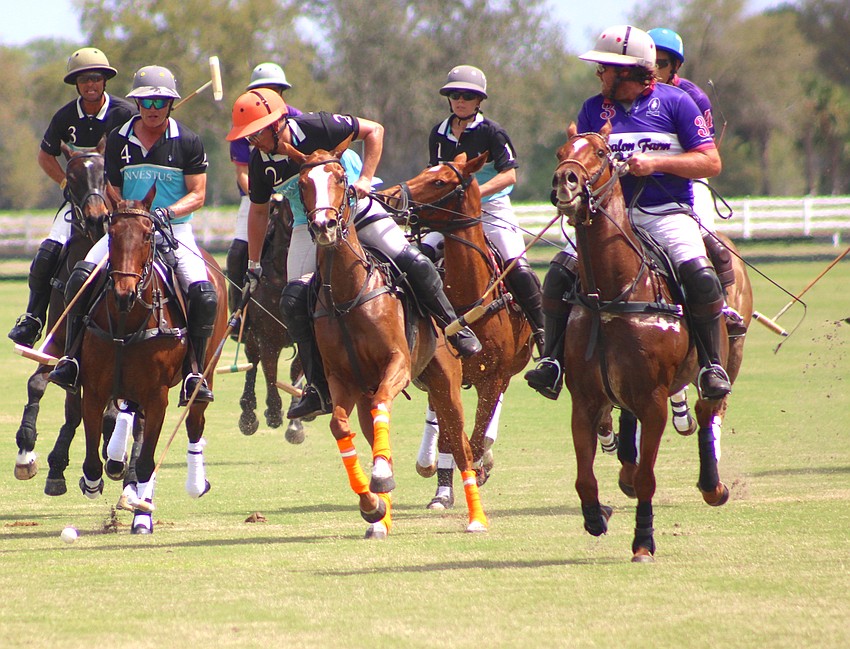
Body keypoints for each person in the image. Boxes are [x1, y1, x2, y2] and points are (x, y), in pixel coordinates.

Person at [226, 88, 482, 420]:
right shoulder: (261, 162)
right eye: (247, 135)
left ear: (277, 124)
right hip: (308, 225)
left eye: (256, 133)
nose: (252, 142)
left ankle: (455, 328)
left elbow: (374, 130)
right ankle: (317, 386)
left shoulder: (316, 126)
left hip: (355, 209)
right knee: (293, 300)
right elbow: (258, 212)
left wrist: (366, 179)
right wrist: (255, 263)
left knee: (411, 260)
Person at [525, 24, 731, 401]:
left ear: (628, 70)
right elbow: (586, 161)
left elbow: (710, 162)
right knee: (556, 274)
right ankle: (552, 362)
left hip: (665, 212)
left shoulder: (677, 103)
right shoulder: (592, 109)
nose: (598, 75)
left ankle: (711, 365)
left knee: (700, 275)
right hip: (608, 220)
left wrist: (655, 163)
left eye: (604, 67)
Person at [48, 65, 218, 406]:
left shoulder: (188, 141)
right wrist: (126, 210)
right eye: (146, 102)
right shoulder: (120, 139)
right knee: (79, 276)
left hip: (174, 228)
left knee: (204, 294)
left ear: (171, 103)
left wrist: (166, 213)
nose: (153, 109)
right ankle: (71, 359)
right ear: (137, 103)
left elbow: (198, 193)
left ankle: (194, 372)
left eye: (160, 102)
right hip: (127, 228)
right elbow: (109, 184)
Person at [8, 47, 136, 348]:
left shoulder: (125, 113)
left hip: (120, 199)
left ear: (104, 81)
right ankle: (33, 317)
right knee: (47, 254)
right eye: (84, 80)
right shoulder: (65, 117)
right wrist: (66, 181)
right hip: (79, 202)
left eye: (96, 79)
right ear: (76, 85)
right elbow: (45, 155)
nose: (90, 85)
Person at [421, 65, 545, 356]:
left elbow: (509, 175)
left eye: (467, 96)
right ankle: (419, 326)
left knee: (518, 266)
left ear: (479, 101)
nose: (459, 100)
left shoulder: (492, 132)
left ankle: (543, 336)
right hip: (452, 215)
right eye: (454, 95)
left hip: (492, 210)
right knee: (420, 257)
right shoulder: (438, 134)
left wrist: (474, 193)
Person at [649, 28, 741, 326]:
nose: (653, 69)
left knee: (708, 240)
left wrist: (661, 163)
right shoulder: (629, 97)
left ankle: (723, 305)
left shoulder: (692, 97)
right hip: (640, 185)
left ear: (675, 66)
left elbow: (705, 154)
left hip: (687, 182)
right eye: (647, 62)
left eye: (660, 63)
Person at [226, 63, 303, 324]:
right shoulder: (243, 121)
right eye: (262, 90)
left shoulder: (295, 117)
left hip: (294, 193)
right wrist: (266, 197)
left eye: (274, 90)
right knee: (237, 254)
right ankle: (239, 317)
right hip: (255, 197)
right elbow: (242, 174)